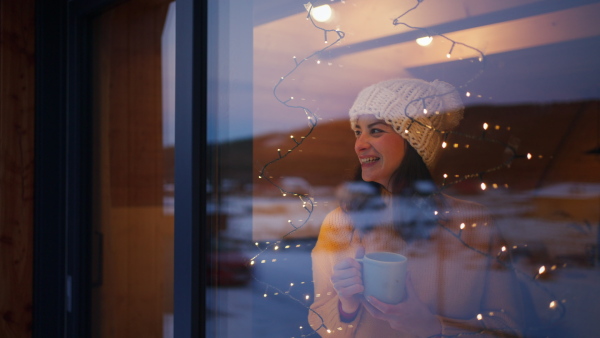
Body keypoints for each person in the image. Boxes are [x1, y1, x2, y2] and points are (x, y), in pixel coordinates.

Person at [308, 78, 522, 337]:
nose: (360, 144)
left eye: (375, 130)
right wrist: (347, 307)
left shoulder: (472, 222)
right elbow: (319, 321)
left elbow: (510, 328)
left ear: (414, 143)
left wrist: (432, 328)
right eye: (358, 131)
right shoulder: (341, 221)